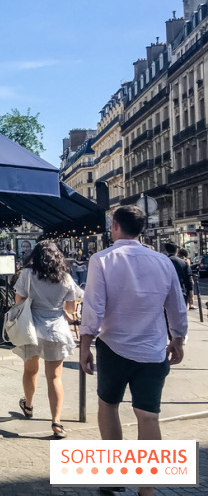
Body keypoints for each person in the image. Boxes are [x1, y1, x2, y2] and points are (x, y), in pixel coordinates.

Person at [80, 206, 187, 496]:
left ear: (115, 225)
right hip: (153, 348)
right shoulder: (162, 261)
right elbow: (176, 305)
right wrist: (178, 339)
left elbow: (93, 306)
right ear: (141, 229)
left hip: (113, 345)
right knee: (149, 416)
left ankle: (114, 475)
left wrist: (85, 345)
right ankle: (146, 489)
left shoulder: (102, 259)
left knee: (108, 405)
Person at [11, 241, 80, 439]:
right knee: (55, 377)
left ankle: (28, 405)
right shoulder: (65, 277)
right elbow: (71, 309)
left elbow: (18, 300)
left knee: (30, 370)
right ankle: (56, 422)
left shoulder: (27, 274)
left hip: (31, 329)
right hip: (56, 330)